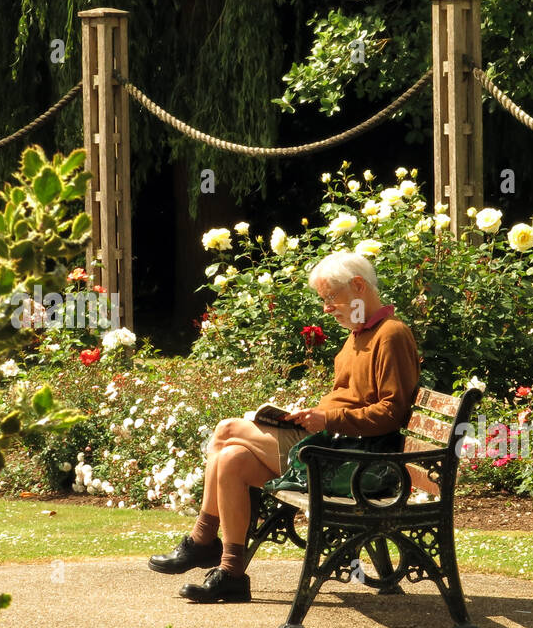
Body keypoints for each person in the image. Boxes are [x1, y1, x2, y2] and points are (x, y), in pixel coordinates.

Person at [148, 250, 421, 602]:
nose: (326, 308)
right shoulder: (357, 335)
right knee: (231, 458)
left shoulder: (391, 335)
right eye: (323, 300)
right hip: (333, 449)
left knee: (227, 430)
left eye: (330, 298)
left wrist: (328, 419)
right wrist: (306, 415)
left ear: (358, 286)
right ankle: (231, 572)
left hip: (357, 464)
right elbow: (347, 399)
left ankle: (202, 540)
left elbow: (392, 412)